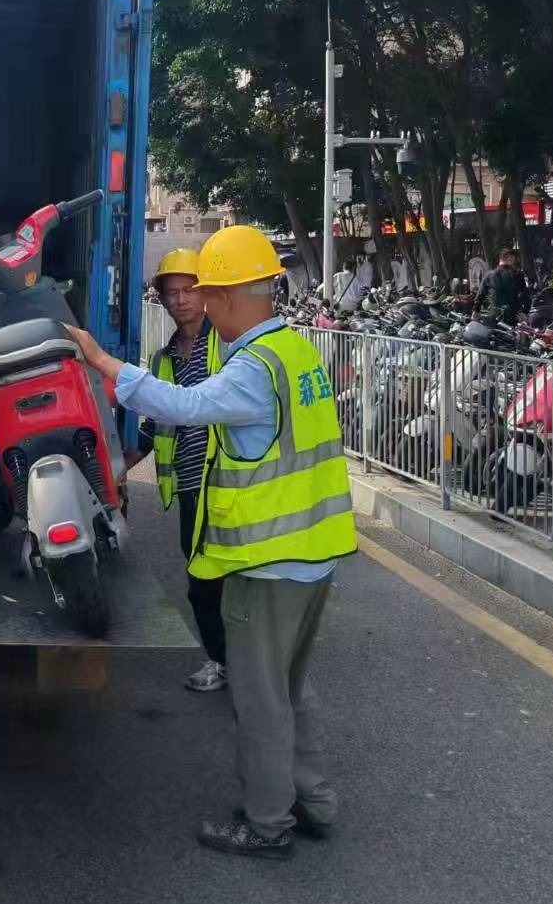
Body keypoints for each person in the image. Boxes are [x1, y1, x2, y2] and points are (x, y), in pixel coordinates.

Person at [69, 225, 358, 861]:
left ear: (225, 297)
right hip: (313, 557)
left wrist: (100, 361)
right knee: (292, 689)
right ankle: (312, 801)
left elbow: (183, 404)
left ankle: (268, 824)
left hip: (268, 561)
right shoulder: (294, 350)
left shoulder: (252, 367)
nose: (197, 304)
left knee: (260, 701)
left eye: (204, 293)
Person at [127, 247, 225, 692]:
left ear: (205, 293)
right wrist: (121, 466)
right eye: (172, 293)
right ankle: (220, 660)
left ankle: (253, 665)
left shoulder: (226, 345)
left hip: (230, 484)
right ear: (162, 300)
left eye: (189, 290)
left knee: (239, 583)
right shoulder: (163, 359)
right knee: (201, 581)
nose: (181, 300)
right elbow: (155, 425)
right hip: (190, 488)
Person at [480, 247, 531, 324]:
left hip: (497, 315)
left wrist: (476, 310)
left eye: (512, 258)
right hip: (510, 316)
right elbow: (525, 295)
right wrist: (525, 312)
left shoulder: (489, 275)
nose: (511, 259)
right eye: (509, 258)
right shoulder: (517, 274)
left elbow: (481, 295)